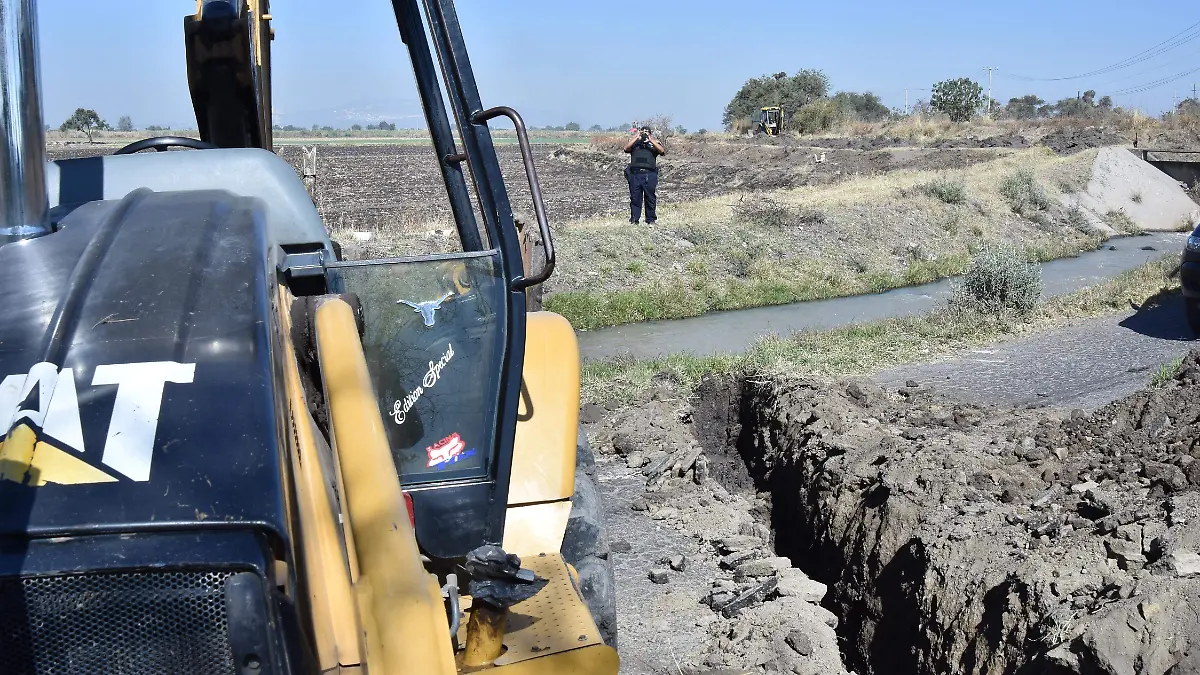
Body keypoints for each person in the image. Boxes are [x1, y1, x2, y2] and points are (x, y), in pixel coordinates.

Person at [622, 125, 666, 224]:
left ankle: (650, 220)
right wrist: (636, 137)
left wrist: (651, 140)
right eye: (642, 131)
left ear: (650, 133)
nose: (644, 133)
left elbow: (662, 151)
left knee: (650, 198)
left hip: (649, 174)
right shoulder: (635, 143)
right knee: (635, 198)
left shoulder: (654, 144)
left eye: (646, 132)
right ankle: (634, 219)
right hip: (635, 174)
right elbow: (625, 148)